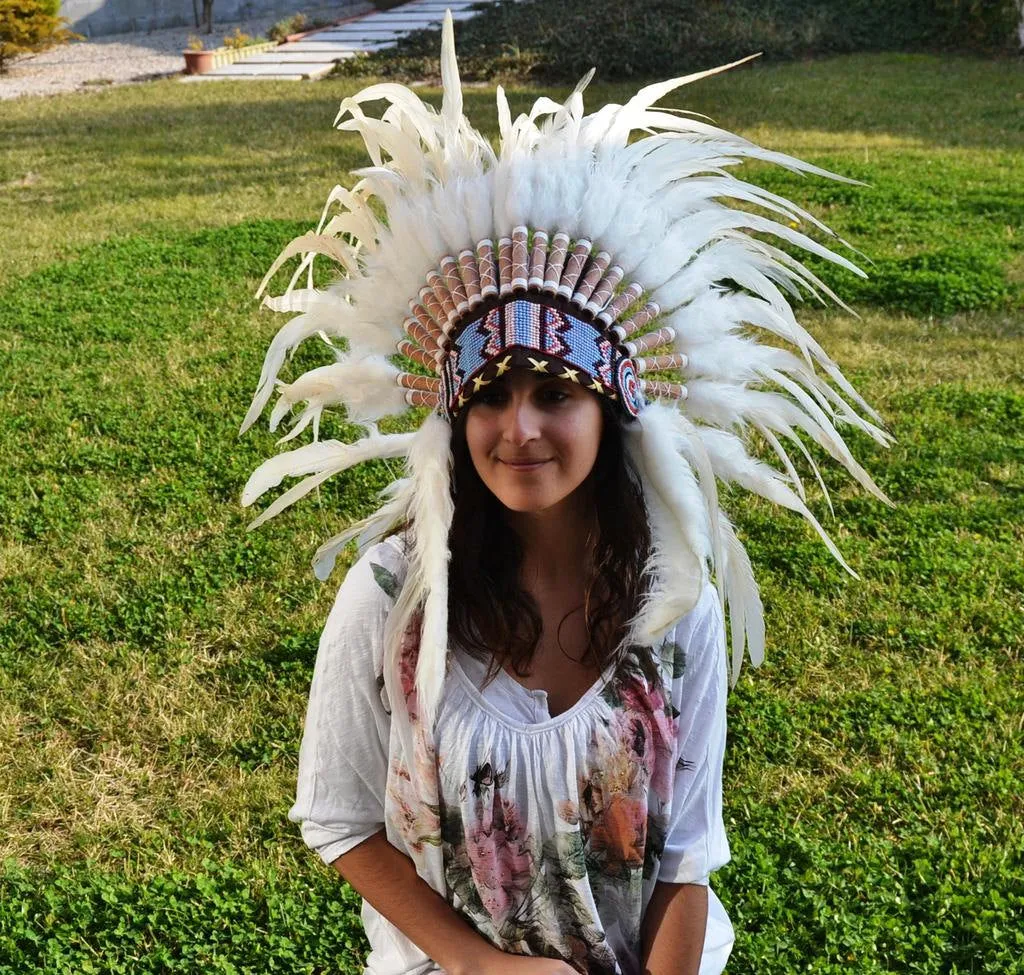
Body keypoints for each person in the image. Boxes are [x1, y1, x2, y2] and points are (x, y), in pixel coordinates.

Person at [239, 14, 888, 974]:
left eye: (554, 392)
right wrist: (484, 964)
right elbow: (337, 817)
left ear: (611, 406)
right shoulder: (392, 598)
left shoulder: (676, 604)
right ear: (454, 416)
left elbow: (686, 855)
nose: (520, 428)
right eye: (489, 396)